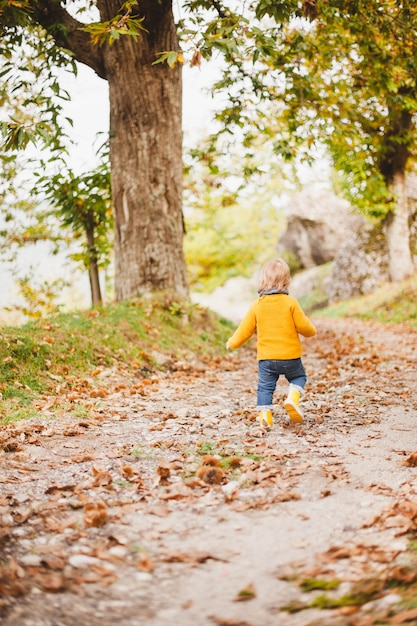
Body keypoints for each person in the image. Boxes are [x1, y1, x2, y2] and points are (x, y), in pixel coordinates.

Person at [226, 258, 317, 427]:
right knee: (298, 377)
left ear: (263, 280)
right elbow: (305, 327)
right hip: (291, 357)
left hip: (267, 359)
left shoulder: (257, 305)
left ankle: (265, 417)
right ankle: (292, 397)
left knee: (265, 387)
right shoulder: (291, 303)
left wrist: (232, 342)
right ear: (286, 280)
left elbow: (244, 330)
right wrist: (312, 331)